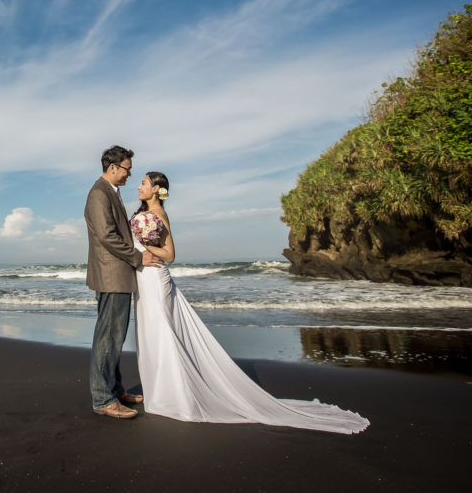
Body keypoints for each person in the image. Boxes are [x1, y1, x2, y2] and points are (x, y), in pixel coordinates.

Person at [130, 171, 369, 433]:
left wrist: (145, 247)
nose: (139, 186)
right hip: (143, 280)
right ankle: (159, 392)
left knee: (164, 332)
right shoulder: (140, 215)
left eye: (143, 183)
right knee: (149, 332)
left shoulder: (160, 216)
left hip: (156, 278)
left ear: (156, 189)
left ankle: (174, 395)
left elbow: (170, 255)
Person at [84, 145, 162, 419]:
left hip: (117, 274)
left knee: (115, 337)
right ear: (113, 167)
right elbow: (107, 236)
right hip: (111, 275)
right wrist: (139, 257)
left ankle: (115, 390)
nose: (130, 174)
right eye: (127, 169)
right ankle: (103, 399)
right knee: (108, 338)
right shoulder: (98, 194)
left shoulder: (110, 193)